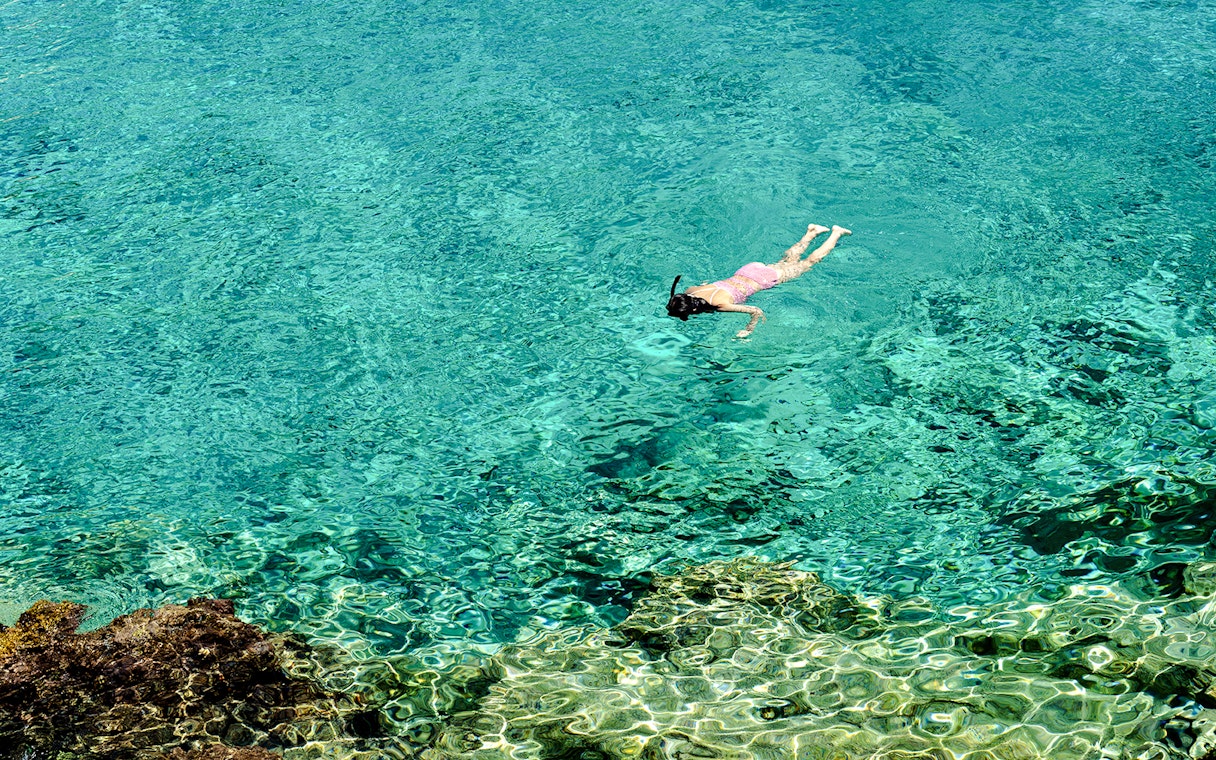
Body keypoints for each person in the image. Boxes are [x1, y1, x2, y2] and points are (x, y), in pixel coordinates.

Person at [666, 224, 850, 338]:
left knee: (808, 263)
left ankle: (836, 233)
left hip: (762, 279)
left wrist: (748, 330)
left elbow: (756, 311)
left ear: (694, 309)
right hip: (747, 270)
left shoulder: (721, 304)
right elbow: (706, 282)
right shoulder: (691, 290)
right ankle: (812, 232)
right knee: (787, 262)